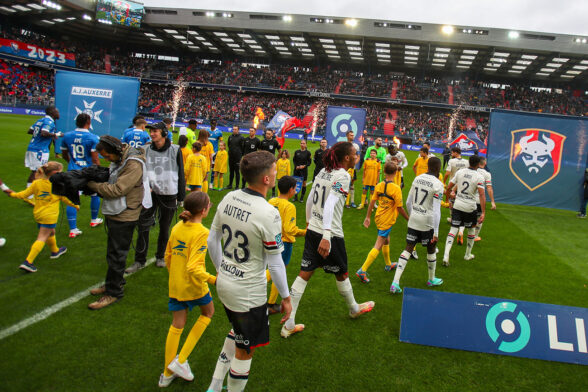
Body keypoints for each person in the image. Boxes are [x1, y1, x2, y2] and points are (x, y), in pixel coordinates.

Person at [205, 150, 291, 392]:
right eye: (274, 171)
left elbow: (213, 241)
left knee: (237, 332)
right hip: (248, 292)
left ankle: (214, 386)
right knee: (245, 350)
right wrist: (286, 298)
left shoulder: (229, 197)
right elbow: (275, 263)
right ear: (265, 179)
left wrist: (221, 268)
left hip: (225, 283)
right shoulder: (268, 213)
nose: (276, 175)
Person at [281, 142, 375, 339]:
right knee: (342, 272)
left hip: (314, 230)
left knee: (305, 273)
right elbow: (331, 203)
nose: (358, 157)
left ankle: (289, 323)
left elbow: (310, 200)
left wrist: (308, 222)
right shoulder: (343, 175)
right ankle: (353, 308)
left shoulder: (324, 170)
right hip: (329, 233)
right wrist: (326, 235)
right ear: (347, 158)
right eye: (356, 154)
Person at [86, 135, 151, 309]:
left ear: (116, 151)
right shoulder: (123, 158)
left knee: (117, 255)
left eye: (108, 156)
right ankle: (113, 282)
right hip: (117, 211)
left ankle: (114, 292)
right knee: (113, 252)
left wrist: (91, 185)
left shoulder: (133, 163)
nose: (107, 160)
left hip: (125, 214)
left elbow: (118, 189)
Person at [159, 191, 215, 388]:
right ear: (203, 210)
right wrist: (214, 280)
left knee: (177, 325)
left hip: (175, 284)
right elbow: (194, 267)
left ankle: (166, 374)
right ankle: (180, 361)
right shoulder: (202, 232)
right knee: (208, 313)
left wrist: (175, 274)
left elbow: (168, 256)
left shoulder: (177, 227)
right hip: (194, 286)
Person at [126, 121, 185, 273]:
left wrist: (181, 196)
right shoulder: (144, 149)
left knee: (165, 228)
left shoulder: (175, 149)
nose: (152, 133)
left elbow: (181, 173)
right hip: (149, 195)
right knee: (143, 226)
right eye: (151, 131)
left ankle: (161, 256)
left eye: (155, 131)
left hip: (169, 194)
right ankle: (139, 260)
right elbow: (138, 170)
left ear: (164, 133)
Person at [4, 162, 76, 273]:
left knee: (51, 232)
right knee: (42, 237)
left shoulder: (36, 183)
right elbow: (65, 198)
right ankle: (28, 262)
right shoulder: (58, 186)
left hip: (38, 214)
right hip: (49, 216)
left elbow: (24, 194)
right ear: (55, 174)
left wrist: (12, 194)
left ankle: (55, 251)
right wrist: (76, 205)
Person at [390, 157, 445, 294]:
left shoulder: (417, 179)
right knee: (431, 247)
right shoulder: (438, 184)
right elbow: (437, 211)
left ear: (428, 166)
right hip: (427, 221)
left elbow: (408, 202)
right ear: (438, 169)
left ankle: (395, 282)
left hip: (414, 218)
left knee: (408, 248)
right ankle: (431, 279)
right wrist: (436, 233)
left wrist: (412, 216)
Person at [357, 162, 408, 283]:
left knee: (387, 239)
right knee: (378, 244)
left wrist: (368, 217)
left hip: (379, 216)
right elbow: (400, 208)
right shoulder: (396, 188)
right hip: (387, 220)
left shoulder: (379, 185)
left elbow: (371, 202)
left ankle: (388, 264)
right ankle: (362, 270)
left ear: (384, 172)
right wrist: (408, 219)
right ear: (396, 173)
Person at [267, 176, 307, 314]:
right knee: (277, 271)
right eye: (295, 187)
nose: (296, 189)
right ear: (291, 189)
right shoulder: (289, 206)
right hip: (284, 242)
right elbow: (290, 229)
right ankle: (269, 302)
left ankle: (270, 303)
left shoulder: (271, 201)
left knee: (275, 269)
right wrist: (305, 232)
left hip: (271, 239)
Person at [60, 113, 102, 239]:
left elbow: (64, 154)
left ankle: (73, 229)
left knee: (72, 200)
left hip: (73, 171)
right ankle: (94, 220)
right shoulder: (93, 138)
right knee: (95, 194)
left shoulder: (67, 136)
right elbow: (95, 159)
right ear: (88, 122)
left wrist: (72, 163)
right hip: (88, 171)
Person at [442, 155, 486, 267]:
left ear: (469, 163)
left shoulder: (460, 172)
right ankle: (467, 254)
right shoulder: (479, 176)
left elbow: (449, 187)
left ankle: (446, 255)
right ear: (477, 164)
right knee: (471, 230)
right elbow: (481, 194)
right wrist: (484, 212)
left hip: (458, 205)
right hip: (470, 207)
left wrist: (449, 198)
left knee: (453, 230)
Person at [24, 106, 62, 204]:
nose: (58, 113)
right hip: (39, 150)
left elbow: (30, 130)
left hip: (33, 147)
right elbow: (44, 133)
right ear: (52, 113)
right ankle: (29, 196)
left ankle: (34, 194)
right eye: (57, 111)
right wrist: (55, 135)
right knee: (37, 172)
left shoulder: (40, 120)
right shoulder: (49, 122)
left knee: (37, 171)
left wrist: (46, 134)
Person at [443, 147, 470, 243]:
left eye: (452, 152)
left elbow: (447, 173)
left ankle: (453, 220)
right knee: (461, 205)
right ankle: (461, 230)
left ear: (455, 152)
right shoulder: (467, 162)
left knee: (452, 204)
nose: (451, 153)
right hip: (463, 186)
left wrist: (444, 182)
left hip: (453, 184)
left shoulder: (451, 161)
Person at [474, 156, 496, 241]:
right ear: (485, 163)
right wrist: (492, 202)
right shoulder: (487, 174)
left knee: (465, 218)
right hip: (479, 200)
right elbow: (489, 188)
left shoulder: (472, 171)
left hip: (467, 199)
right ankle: (475, 236)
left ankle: (460, 232)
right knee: (479, 218)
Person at [226, 125, 245, 189]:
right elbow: (229, 145)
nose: (234, 130)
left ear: (238, 130)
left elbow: (243, 148)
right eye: (233, 129)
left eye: (235, 129)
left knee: (237, 171)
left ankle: (237, 186)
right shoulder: (230, 137)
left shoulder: (241, 138)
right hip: (231, 156)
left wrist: (239, 155)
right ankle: (230, 185)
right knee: (231, 171)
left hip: (237, 157)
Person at [346, 131, 361, 207]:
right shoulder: (344, 145)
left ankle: (352, 201)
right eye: (350, 135)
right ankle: (345, 201)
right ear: (347, 136)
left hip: (352, 168)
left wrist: (354, 163)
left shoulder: (356, 146)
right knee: (343, 183)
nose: (352, 136)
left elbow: (358, 156)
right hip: (345, 168)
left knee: (352, 184)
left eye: (353, 135)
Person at [208, 119, 223, 187]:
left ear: (216, 124)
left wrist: (221, 150)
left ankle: (211, 183)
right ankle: (203, 181)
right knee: (205, 167)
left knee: (213, 169)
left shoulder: (219, 132)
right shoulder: (206, 131)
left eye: (214, 124)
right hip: (207, 153)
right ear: (210, 124)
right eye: (212, 123)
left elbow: (221, 142)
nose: (213, 125)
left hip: (214, 153)